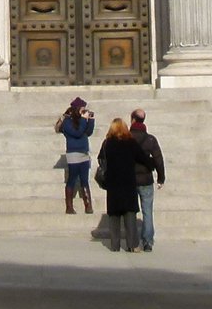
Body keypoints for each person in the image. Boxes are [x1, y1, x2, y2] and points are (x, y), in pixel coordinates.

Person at [95, 118, 151, 253]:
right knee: (129, 214)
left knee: (114, 215)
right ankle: (132, 245)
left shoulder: (107, 143)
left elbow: (101, 159)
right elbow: (143, 158)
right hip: (128, 182)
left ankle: (114, 245)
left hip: (113, 182)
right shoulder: (130, 143)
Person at [129, 108, 166, 253]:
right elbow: (158, 159)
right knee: (147, 211)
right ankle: (148, 242)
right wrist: (161, 177)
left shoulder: (127, 137)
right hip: (146, 179)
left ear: (132, 120)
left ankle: (133, 241)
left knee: (131, 211)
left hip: (130, 179)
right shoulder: (150, 139)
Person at [55, 97, 95, 215]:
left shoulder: (81, 121)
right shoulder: (67, 122)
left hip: (84, 153)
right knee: (72, 179)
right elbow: (77, 133)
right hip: (73, 154)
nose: (84, 111)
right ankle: (69, 207)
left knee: (84, 180)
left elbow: (87, 132)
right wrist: (83, 120)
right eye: (82, 109)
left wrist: (91, 120)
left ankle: (88, 205)